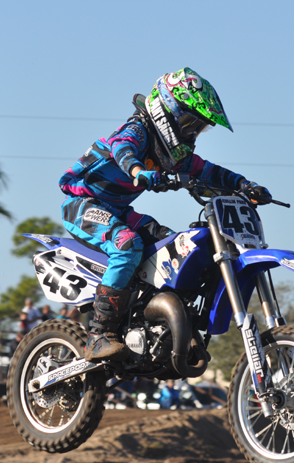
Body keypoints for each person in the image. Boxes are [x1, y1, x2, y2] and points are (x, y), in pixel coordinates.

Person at [58, 67, 271, 362]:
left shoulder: (171, 153)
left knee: (175, 247)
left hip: (118, 210)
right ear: (165, 112)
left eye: (199, 127)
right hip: (83, 205)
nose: (193, 132)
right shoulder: (138, 130)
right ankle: (99, 334)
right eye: (190, 122)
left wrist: (244, 185)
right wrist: (138, 171)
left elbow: (207, 171)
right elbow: (122, 148)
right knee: (127, 244)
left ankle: (169, 326)